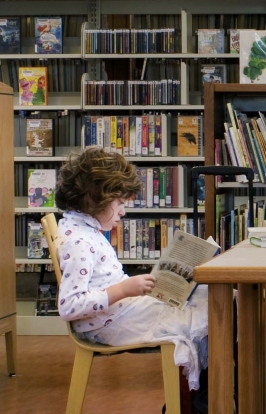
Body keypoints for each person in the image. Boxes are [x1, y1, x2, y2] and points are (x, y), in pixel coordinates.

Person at [53, 148, 210, 408]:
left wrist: (135, 286)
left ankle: (199, 402)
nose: (124, 212)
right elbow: (69, 306)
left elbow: (101, 281)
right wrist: (126, 289)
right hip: (112, 323)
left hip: (121, 312)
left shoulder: (84, 229)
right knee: (214, 312)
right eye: (120, 203)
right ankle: (204, 403)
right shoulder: (79, 241)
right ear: (95, 197)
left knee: (207, 298)